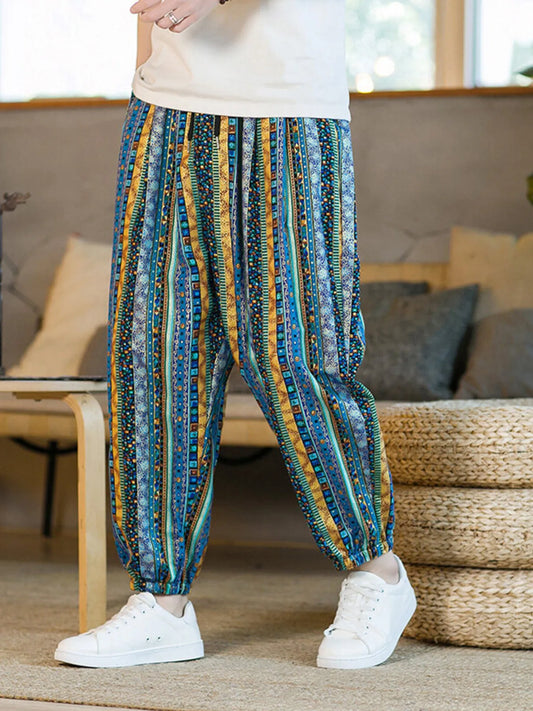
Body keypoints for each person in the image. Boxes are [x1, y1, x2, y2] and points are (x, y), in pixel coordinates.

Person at [55, 0, 416, 670]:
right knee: (156, 355)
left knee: (293, 355)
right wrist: (146, 76)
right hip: (164, 111)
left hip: (287, 109)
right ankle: (162, 601)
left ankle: (377, 570)